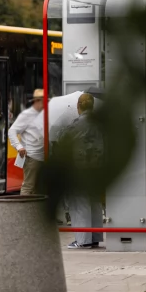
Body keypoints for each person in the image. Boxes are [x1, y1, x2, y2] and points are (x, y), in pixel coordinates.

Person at [61, 93, 105, 249]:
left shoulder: (75, 125)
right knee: (95, 203)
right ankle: (95, 237)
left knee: (79, 204)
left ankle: (83, 240)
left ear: (78, 106)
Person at [8, 89, 45, 195]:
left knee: (39, 188)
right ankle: (23, 206)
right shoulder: (27, 115)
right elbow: (12, 131)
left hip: (43, 156)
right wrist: (19, 147)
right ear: (37, 101)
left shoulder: (44, 114)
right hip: (32, 156)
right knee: (29, 186)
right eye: (44, 101)